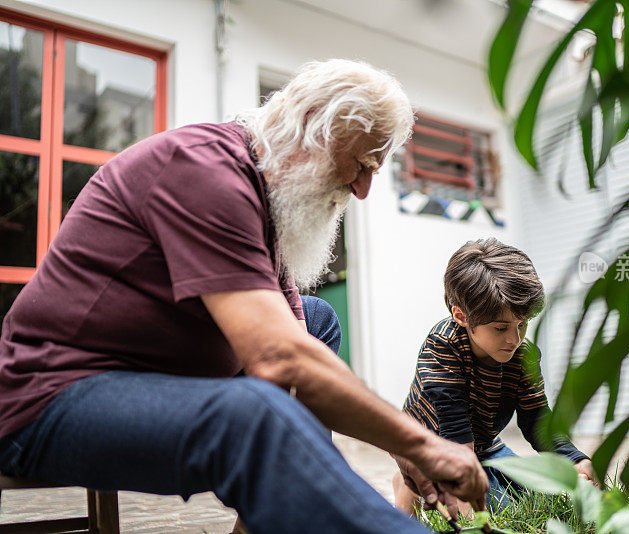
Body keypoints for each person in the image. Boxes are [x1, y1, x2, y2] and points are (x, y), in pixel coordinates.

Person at [0, 59, 488, 534]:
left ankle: (265, 518)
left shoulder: (262, 195)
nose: (362, 190)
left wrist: (397, 449)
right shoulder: (202, 168)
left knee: (315, 323)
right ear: (312, 130)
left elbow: (297, 339)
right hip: (51, 398)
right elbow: (279, 358)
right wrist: (424, 445)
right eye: (362, 164)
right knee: (255, 412)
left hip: (144, 375)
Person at [393, 238, 597, 516]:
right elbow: (453, 428)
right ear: (461, 316)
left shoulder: (523, 355)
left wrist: (574, 459)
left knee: (534, 502)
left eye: (522, 324)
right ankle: (409, 489)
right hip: (434, 446)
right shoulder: (443, 346)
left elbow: (536, 417)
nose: (514, 339)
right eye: (501, 328)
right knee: (487, 511)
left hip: (485, 446)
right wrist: (468, 501)